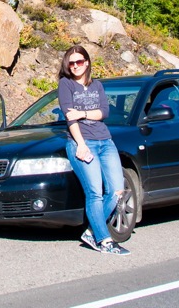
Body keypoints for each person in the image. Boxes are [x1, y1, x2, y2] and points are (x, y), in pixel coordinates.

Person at [57, 45, 131, 256]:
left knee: (117, 190)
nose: (75, 66)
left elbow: (104, 112)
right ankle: (104, 240)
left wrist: (82, 113)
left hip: (105, 141)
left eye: (79, 62)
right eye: (71, 63)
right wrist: (80, 144)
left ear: (87, 62)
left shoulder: (97, 85)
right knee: (95, 193)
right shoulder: (66, 84)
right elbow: (70, 118)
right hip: (83, 142)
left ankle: (92, 231)